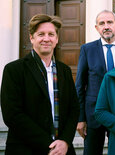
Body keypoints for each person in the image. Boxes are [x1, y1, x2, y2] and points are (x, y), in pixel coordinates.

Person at [0, 14, 79, 155]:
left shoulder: (64, 70)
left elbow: (73, 109)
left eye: (51, 34)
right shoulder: (14, 70)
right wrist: (49, 145)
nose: (46, 39)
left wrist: (65, 141)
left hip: (62, 150)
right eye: (41, 34)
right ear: (32, 38)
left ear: (57, 39)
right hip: (26, 149)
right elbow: (12, 114)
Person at [75, 10, 115, 154]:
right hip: (93, 114)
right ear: (97, 28)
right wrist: (80, 118)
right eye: (101, 23)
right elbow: (80, 85)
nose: (106, 26)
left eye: (110, 22)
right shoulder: (87, 49)